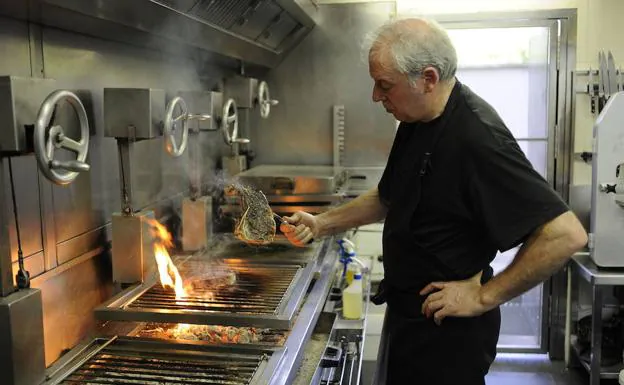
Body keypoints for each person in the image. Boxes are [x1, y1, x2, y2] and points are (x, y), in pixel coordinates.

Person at [280, 17, 588, 385]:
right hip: (409, 316)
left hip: (447, 335)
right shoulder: (417, 117)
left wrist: (485, 296)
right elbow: (388, 196)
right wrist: (321, 224)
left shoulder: (478, 138)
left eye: (384, 85)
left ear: (427, 78)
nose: (376, 97)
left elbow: (566, 235)